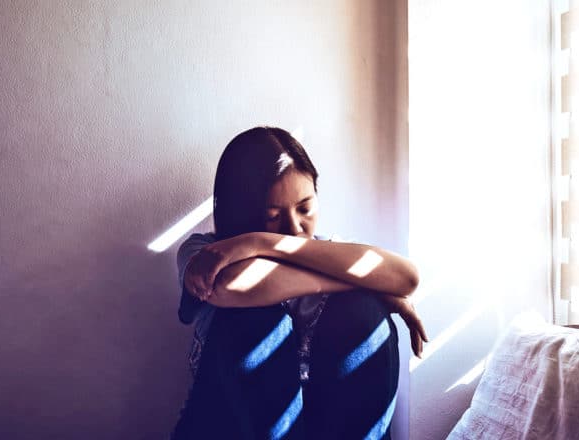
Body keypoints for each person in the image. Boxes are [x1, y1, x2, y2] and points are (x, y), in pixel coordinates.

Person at [171, 127, 427, 440]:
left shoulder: (325, 254)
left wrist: (263, 242)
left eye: (305, 208)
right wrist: (360, 282)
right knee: (257, 322)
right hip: (225, 425)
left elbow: (407, 277)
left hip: (313, 425)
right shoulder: (205, 251)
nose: (294, 228)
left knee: (363, 313)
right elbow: (229, 286)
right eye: (272, 216)